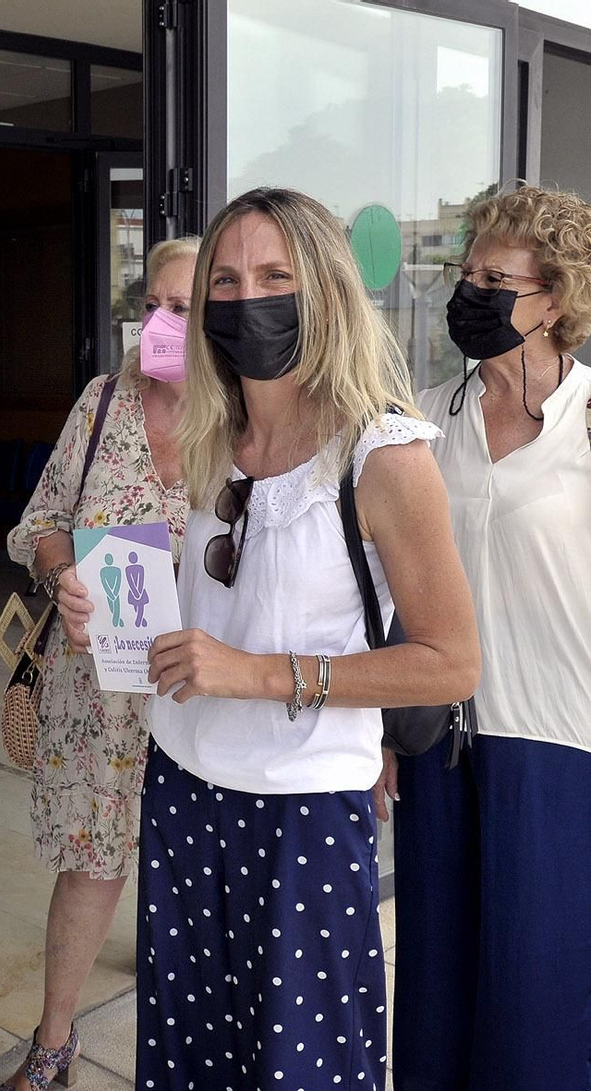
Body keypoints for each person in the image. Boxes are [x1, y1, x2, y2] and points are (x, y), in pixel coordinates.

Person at [134, 187, 479, 1091]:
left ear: (323, 290)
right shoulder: (214, 437)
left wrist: (255, 673)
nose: (249, 299)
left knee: (307, 1068)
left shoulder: (383, 453)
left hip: (300, 813)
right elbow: (214, 609)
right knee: (192, 1059)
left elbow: (451, 659)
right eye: (229, 279)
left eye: (277, 276)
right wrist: (123, 617)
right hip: (180, 785)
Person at [394, 185, 591, 1090]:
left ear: (554, 296)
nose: (469, 290)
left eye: (495, 276)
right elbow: (400, 576)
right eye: (465, 272)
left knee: (536, 994)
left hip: (558, 739)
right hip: (443, 739)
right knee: (437, 978)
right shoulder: (430, 417)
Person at [1, 235, 197, 1090]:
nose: (164, 320)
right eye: (156, 302)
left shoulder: (261, 419)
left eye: (188, 307)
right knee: (91, 864)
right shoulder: (103, 400)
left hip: (205, 692)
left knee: (198, 871)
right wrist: (62, 572)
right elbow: (40, 518)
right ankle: (53, 1041)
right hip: (98, 691)